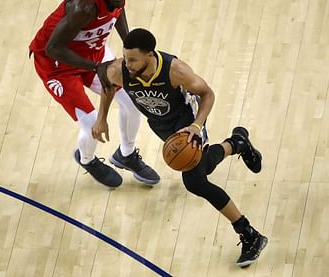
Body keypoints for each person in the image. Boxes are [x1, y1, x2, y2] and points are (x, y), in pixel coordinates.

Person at [92, 28, 268, 267]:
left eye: (133, 59)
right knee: (199, 166)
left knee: (195, 181)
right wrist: (101, 118)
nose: (128, 64)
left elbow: (207, 94)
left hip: (187, 122)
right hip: (160, 124)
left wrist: (196, 126)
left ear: (150, 55)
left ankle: (249, 234)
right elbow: (107, 85)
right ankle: (236, 143)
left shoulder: (175, 70)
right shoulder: (119, 70)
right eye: (126, 57)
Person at [29, 0, 159, 188]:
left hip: (92, 55)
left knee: (133, 101)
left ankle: (126, 154)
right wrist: (95, 68)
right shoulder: (84, 7)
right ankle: (86, 159)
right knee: (91, 124)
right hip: (57, 66)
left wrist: (127, 42)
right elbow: (53, 48)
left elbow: (117, 12)